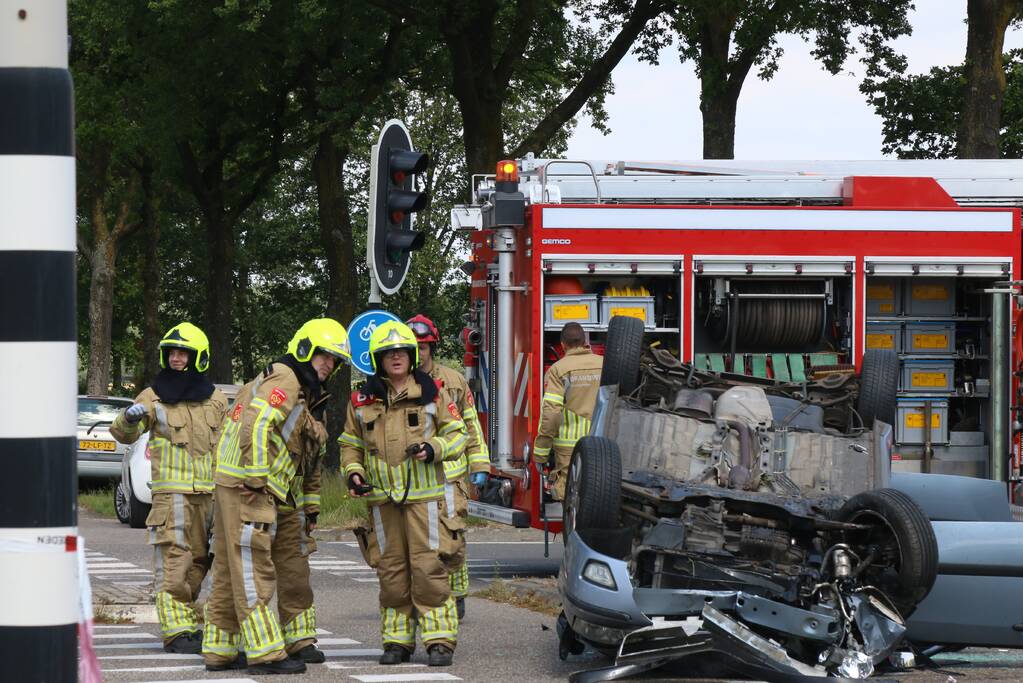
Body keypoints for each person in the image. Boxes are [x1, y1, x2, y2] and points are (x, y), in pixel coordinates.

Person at [202, 318, 349, 675]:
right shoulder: (286, 377)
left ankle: (220, 650)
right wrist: (255, 474)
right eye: (324, 355)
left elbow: (308, 456)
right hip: (248, 483)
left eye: (334, 360)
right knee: (252, 564)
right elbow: (258, 421)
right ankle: (266, 652)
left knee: (227, 567)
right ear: (305, 349)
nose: (328, 364)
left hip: (269, 487)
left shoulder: (311, 392)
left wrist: (310, 502)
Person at [341, 321, 468, 667]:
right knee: (392, 574)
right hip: (382, 503)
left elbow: (459, 435)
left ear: (412, 356)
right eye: (388, 353)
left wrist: (435, 447)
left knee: (429, 571)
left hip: (425, 502)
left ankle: (440, 641)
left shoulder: (434, 393)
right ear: (378, 359)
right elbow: (350, 446)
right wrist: (353, 473)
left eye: (401, 352)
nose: (395, 357)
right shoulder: (360, 400)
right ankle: (396, 643)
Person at [110, 322, 228, 654]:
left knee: (201, 561)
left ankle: (187, 622)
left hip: (210, 494)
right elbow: (124, 434)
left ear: (198, 358)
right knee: (175, 562)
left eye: (183, 353)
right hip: (172, 495)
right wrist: (129, 418)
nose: (176, 359)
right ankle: (176, 632)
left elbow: (229, 443)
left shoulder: (216, 399)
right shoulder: (152, 395)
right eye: (172, 353)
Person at [407, 314, 489, 619]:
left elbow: (470, 425)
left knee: (452, 540)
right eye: (413, 347)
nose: (420, 353)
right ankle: (424, 596)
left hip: (450, 477)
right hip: (414, 479)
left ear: (433, 348)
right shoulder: (399, 382)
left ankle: (456, 595)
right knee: (418, 543)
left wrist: (479, 463)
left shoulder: (453, 381)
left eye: (424, 347)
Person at [532, 322, 604, 500]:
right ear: (585, 341)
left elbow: (551, 413)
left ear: (563, 344)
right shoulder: (604, 364)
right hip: (603, 445)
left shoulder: (558, 370)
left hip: (568, 449)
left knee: (569, 497)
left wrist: (541, 452)